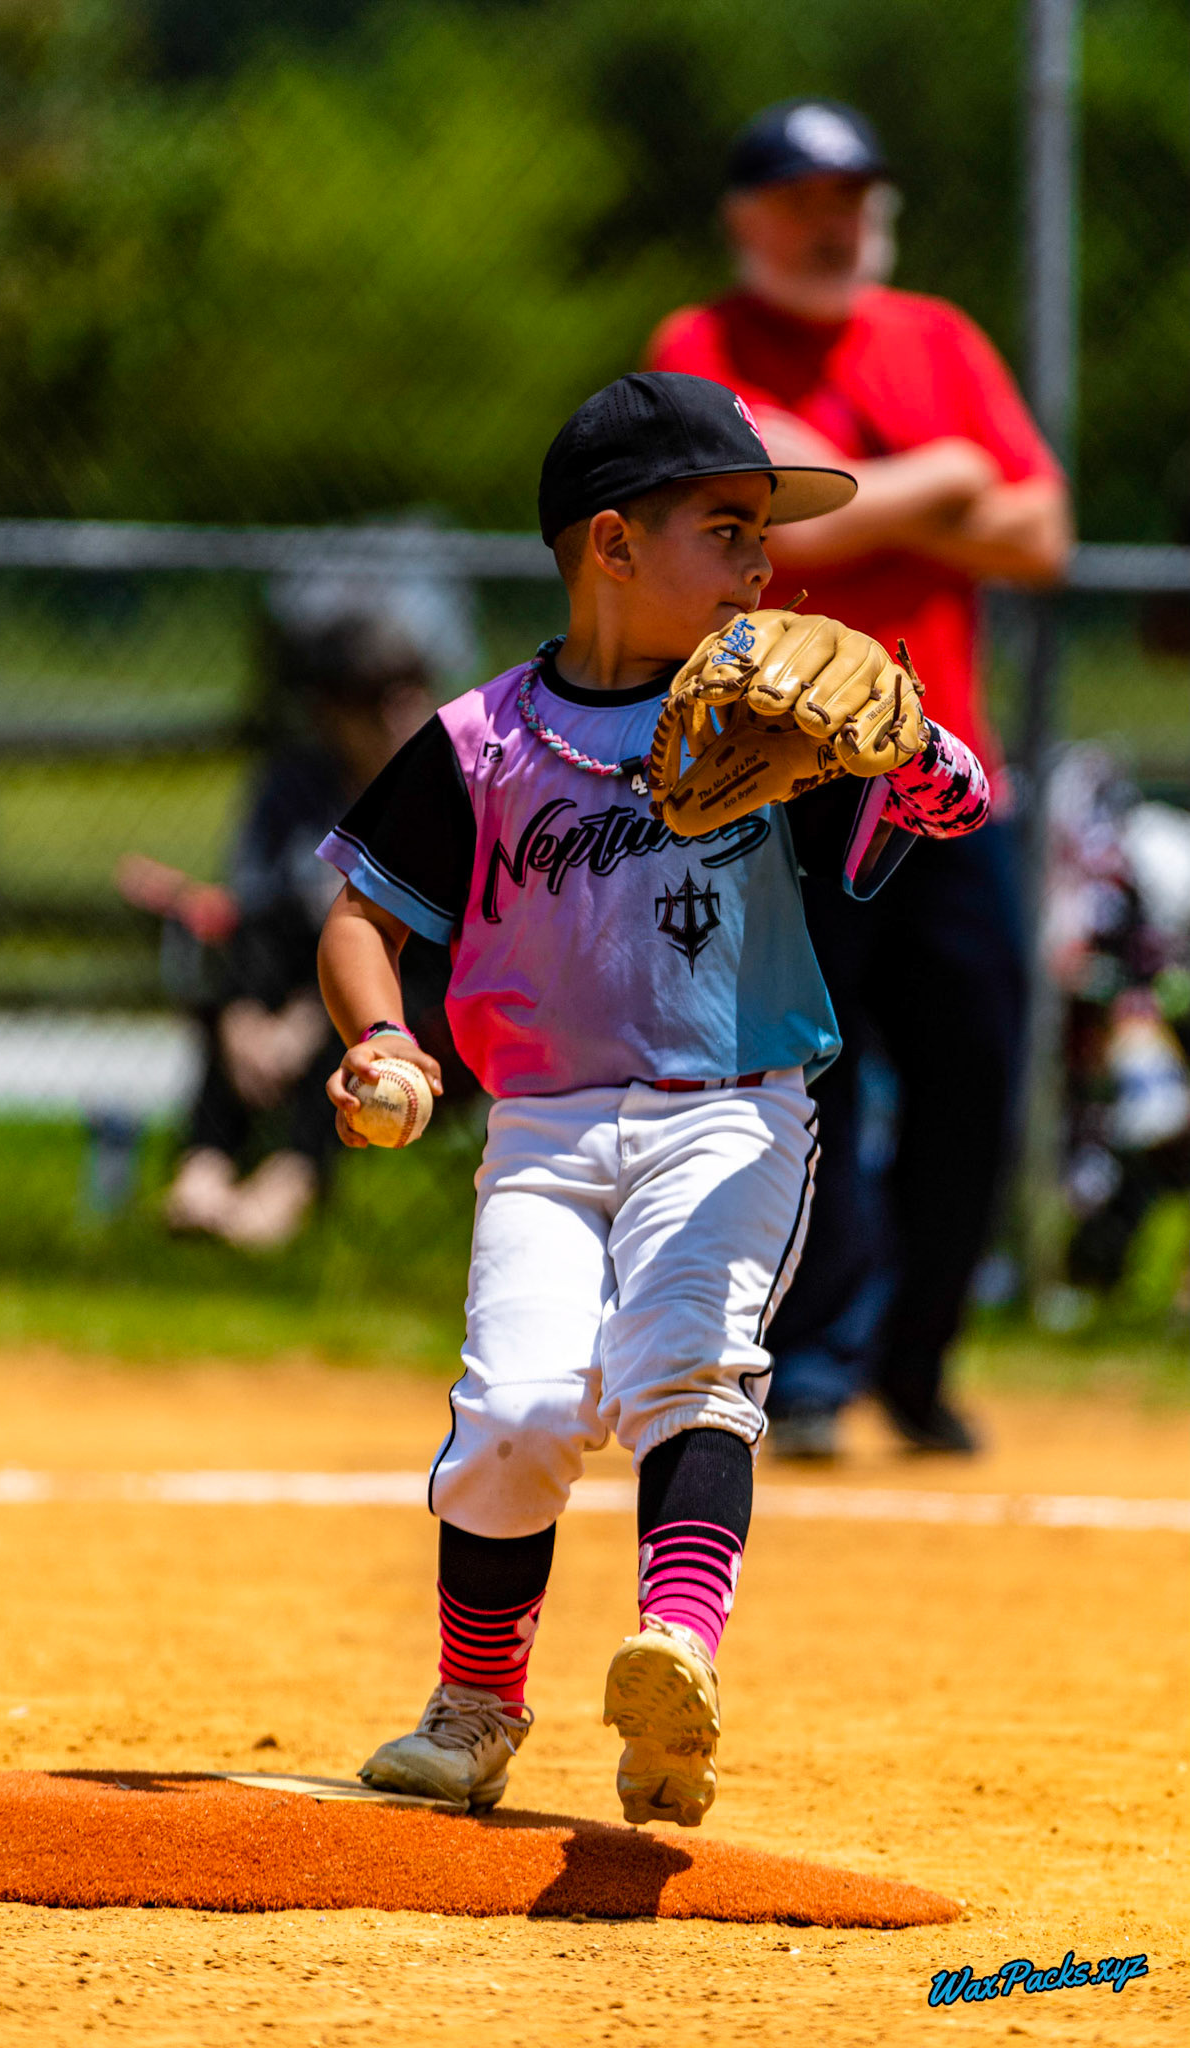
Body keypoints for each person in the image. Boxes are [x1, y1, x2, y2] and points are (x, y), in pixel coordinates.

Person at [311, 371, 991, 1826]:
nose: (764, 563)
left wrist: (909, 744)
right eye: (727, 527)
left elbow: (956, 805)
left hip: (731, 1109)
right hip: (545, 1130)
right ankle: (475, 1709)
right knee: (518, 1410)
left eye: (764, 533)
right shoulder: (484, 742)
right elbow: (365, 917)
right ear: (609, 546)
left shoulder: (773, 715)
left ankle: (675, 1658)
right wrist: (384, 1041)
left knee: (690, 1357)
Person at [647, 99, 1073, 1456]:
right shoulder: (700, 345)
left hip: (942, 773)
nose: (833, 222)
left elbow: (1041, 534)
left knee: (976, 1064)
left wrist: (855, 495)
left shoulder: (935, 337)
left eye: (852, 194)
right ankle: (813, 1369)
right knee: (801, 1080)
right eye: (801, 197)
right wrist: (944, 479)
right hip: (780, 778)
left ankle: (915, 1361)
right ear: (746, 216)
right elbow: (745, 488)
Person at [122, 611, 466, 1247]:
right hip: (290, 974)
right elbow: (254, 910)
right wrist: (245, 1014)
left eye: (413, 690)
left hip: (416, 1001)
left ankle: (290, 1179)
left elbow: (439, 946)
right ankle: (206, 1167)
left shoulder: (453, 787)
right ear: (334, 711)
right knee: (246, 964)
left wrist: (313, 1014)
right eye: (378, 698)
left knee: (347, 1030)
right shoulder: (297, 786)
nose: (404, 712)